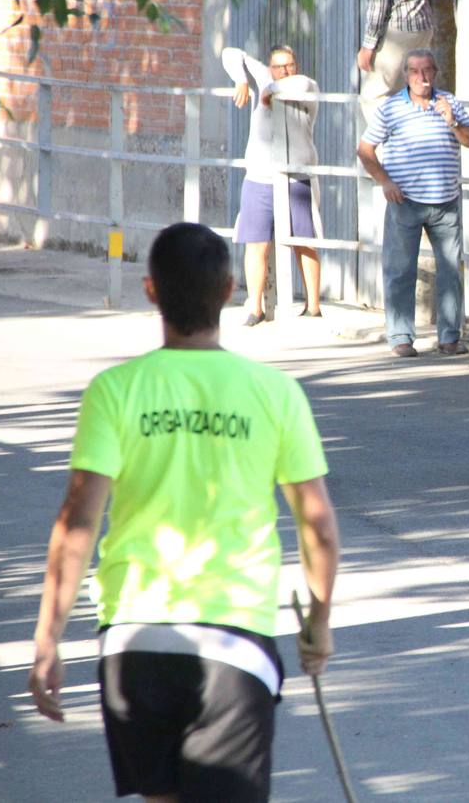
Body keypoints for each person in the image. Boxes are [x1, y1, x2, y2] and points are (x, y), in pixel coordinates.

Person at [27, 222, 340, 802]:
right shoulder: (275, 394)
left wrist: (47, 638)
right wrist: (317, 624)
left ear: (150, 291)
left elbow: (77, 522)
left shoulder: (115, 391)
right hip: (234, 646)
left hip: (133, 646)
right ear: (229, 290)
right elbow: (317, 523)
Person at [358, 48, 469, 358]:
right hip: (406, 202)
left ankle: (450, 338)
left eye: (427, 71)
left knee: (451, 271)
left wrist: (452, 122)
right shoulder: (390, 109)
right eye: (415, 71)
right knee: (400, 271)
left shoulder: (448, 102)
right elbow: (365, 150)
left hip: (446, 202)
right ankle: (401, 338)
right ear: (406, 76)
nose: (422, 77)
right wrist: (385, 182)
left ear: (435, 72)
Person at [223, 44, 325, 325]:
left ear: (297, 65)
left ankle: (313, 307)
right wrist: (242, 79)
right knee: (256, 244)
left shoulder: (306, 86)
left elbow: (299, 83)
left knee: (304, 242)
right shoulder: (262, 79)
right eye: (278, 66)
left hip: (296, 175)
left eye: (289, 64)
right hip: (259, 177)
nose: (284, 70)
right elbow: (231, 54)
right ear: (270, 67)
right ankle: (255, 308)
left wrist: (269, 90)